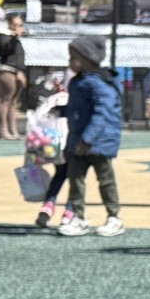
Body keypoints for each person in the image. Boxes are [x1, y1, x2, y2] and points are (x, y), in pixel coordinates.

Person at [55, 36, 123, 238]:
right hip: (78, 141)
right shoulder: (78, 82)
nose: (69, 61)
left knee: (105, 179)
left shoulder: (99, 83)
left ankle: (114, 217)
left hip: (99, 141)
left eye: (73, 57)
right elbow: (77, 110)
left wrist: (88, 139)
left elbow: (103, 112)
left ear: (87, 59)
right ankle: (77, 216)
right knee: (75, 178)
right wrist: (60, 111)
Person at [0, 11, 27, 140]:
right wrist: (15, 37)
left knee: (13, 102)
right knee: (5, 100)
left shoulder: (15, 38)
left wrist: (21, 71)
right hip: (5, 70)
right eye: (17, 19)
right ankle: (2, 129)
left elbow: (19, 57)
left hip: (15, 71)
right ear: (10, 21)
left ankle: (13, 130)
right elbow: (4, 50)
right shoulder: (3, 35)